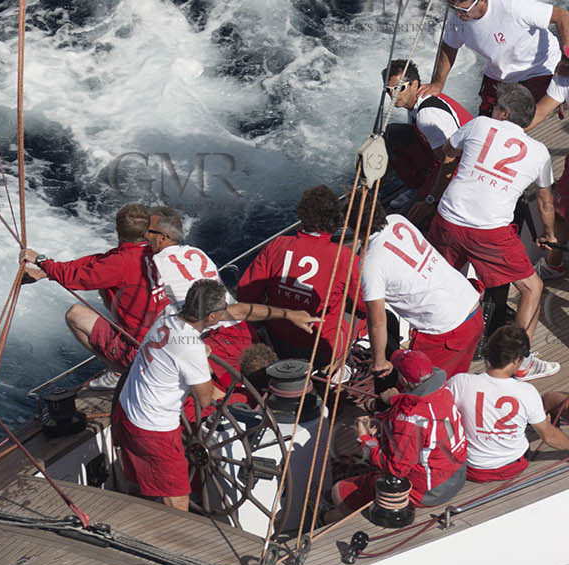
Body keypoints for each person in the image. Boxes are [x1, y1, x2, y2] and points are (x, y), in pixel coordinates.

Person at [113, 280, 317, 510]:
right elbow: (205, 398)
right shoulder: (191, 349)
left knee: (140, 481)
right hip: (153, 429)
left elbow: (239, 311)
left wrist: (290, 315)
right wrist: (204, 360)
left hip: (126, 409)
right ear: (211, 317)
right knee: (178, 500)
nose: (227, 312)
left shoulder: (171, 312)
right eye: (222, 309)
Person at [428, 82, 559, 375]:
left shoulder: (479, 124)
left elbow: (448, 151)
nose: (492, 108)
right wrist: (548, 234)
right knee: (532, 288)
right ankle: (519, 362)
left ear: (504, 113)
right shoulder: (539, 153)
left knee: (439, 281)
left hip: (448, 217)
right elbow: (545, 201)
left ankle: (425, 344)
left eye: (496, 105)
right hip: (489, 232)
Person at [352, 190, 482, 382]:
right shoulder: (397, 220)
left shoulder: (372, 265)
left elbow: (377, 321)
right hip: (471, 310)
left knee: (418, 398)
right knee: (452, 386)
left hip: (446, 333)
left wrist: (379, 362)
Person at [326, 349, 468, 522]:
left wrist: (364, 438)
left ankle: (324, 519)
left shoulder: (410, 417)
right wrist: (395, 402)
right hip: (457, 475)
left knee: (339, 492)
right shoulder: (442, 391)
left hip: (428, 491)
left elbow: (395, 469)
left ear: (404, 380)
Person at [21, 204, 156, 376]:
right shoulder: (158, 252)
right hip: (165, 344)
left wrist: (41, 260)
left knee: (75, 314)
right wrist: (44, 272)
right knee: (106, 287)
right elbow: (98, 261)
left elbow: (73, 278)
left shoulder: (119, 263)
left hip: (140, 354)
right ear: (148, 231)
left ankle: (119, 372)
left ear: (117, 229)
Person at [236, 186, 364, 367]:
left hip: (278, 340)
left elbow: (246, 295)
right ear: (336, 218)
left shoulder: (277, 245)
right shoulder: (344, 257)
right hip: (322, 347)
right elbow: (364, 304)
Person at [417, 0, 569, 116]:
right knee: (486, 118)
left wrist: (566, 58)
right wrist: (437, 83)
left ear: (481, 0)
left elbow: (562, 16)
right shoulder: (457, 19)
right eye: (454, 8)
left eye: (464, 10)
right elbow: (449, 47)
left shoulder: (514, 5)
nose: (458, 14)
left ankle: (558, 99)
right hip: (499, 75)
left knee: (521, 118)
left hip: (537, 69)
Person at [140, 207, 255, 389]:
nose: (144, 235)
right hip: (240, 328)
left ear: (162, 237)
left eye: (148, 230)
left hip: (216, 339)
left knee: (224, 396)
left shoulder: (154, 265)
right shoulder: (196, 252)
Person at [448, 326, 569, 482]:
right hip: (511, 466)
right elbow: (549, 437)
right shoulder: (526, 392)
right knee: (552, 399)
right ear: (516, 360)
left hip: (471, 467)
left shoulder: (459, 383)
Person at [381, 59, 470, 227]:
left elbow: (450, 163)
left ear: (415, 84)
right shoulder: (419, 102)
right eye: (389, 90)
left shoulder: (427, 115)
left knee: (405, 220)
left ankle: (425, 195)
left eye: (399, 88)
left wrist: (430, 201)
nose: (393, 95)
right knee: (393, 134)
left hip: (460, 172)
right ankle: (417, 186)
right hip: (443, 159)